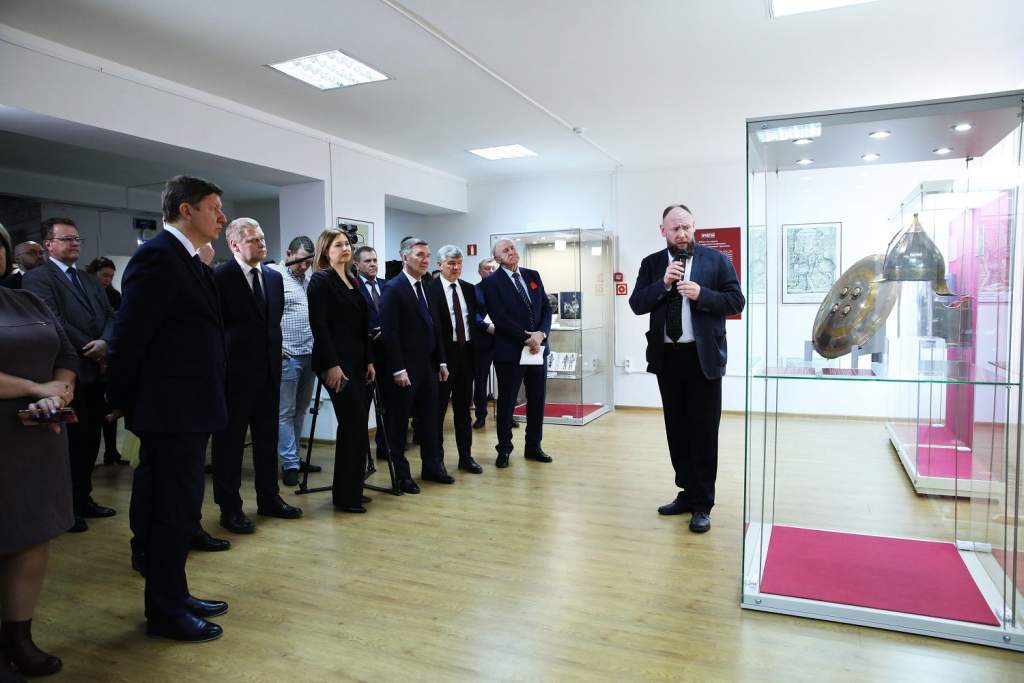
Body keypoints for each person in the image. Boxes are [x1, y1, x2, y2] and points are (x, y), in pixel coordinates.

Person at [107, 174, 231, 642]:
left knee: (181, 510)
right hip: (169, 410)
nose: (221, 217)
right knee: (167, 512)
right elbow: (129, 337)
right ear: (186, 209)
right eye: (214, 207)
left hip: (190, 408)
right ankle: (164, 610)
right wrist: (122, 401)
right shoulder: (157, 256)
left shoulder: (190, 260)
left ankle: (175, 594)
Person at [629, 204, 745, 534]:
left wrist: (702, 294)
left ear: (694, 227)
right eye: (675, 228)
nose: (681, 234)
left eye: (686, 227)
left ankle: (702, 504)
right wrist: (662, 284)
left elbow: (736, 301)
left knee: (704, 432)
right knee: (677, 431)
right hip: (668, 358)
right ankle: (687, 493)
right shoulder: (652, 264)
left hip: (703, 358)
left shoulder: (716, 261)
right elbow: (637, 304)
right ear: (663, 231)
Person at [0, 222, 77, 680]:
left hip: (36, 437)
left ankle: (19, 638)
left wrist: (60, 392)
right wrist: (35, 388)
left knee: (31, 537)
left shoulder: (28, 300)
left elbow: (66, 354)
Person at [23, 217, 117, 533]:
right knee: (68, 445)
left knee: (90, 441)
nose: (74, 243)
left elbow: (110, 315)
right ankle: (66, 507)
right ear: (49, 244)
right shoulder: (38, 278)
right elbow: (53, 320)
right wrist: (89, 346)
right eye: (66, 239)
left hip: (95, 372)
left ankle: (83, 498)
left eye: (77, 239)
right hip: (65, 374)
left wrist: (105, 342)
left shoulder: (88, 279)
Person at [211, 218, 302, 534]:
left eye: (262, 238)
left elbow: (271, 325)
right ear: (235, 244)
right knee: (230, 445)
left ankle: (269, 497)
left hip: (269, 373)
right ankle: (230, 508)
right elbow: (216, 328)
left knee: (267, 440)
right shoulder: (220, 277)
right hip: (233, 376)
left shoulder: (274, 278)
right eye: (253, 239)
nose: (261, 243)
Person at [307, 228, 376, 512]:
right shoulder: (320, 281)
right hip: (336, 364)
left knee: (357, 428)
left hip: (358, 362)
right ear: (326, 250)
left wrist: (369, 360)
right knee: (353, 425)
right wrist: (332, 365)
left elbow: (363, 326)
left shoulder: (352, 278)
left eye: (347, 244)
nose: (345, 248)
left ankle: (352, 489)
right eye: (338, 245)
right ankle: (346, 497)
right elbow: (320, 326)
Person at [378, 237, 448, 492]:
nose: (425, 260)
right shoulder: (393, 288)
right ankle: (402, 475)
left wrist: (441, 361)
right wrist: (398, 369)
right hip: (405, 368)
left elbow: (435, 326)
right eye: (419, 255)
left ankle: (432, 467)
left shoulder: (426, 286)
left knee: (430, 420)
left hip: (428, 365)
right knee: (398, 424)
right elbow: (389, 333)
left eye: (427, 255)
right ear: (405, 257)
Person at [478, 239, 553, 468]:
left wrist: (541, 334)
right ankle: (504, 449)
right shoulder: (491, 283)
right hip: (510, 351)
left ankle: (534, 446)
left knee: (537, 399)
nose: (511, 252)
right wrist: (526, 337)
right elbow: (499, 317)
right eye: (505, 250)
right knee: (507, 402)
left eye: (512, 248)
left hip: (537, 350)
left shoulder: (532, 275)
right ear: (497, 258)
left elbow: (546, 307)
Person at [427, 245, 484, 475]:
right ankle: (436, 462)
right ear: (439, 265)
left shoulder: (468, 289)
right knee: (437, 411)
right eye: (451, 263)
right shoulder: (429, 289)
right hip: (442, 356)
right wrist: (439, 359)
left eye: (459, 263)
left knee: (463, 410)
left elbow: (473, 322)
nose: (456, 267)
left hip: (466, 353)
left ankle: (466, 457)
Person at [269, 236, 319, 487]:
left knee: (301, 409)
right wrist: (273, 346)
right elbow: (265, 315)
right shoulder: (274, 277)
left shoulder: (307, 282)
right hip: (287, 356)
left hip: (309, 355)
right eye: (300, 261)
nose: (304, 266)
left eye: (309, 262)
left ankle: (295, 457)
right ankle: (289, 463)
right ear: (289, 253)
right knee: (285, 411)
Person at [86, 256, 128, 467]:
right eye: (104, 275)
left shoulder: (114, 295)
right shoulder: (84, 292)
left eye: (111, 276)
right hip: (89, 353)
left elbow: (118, 320)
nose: (107, 280)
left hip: (109, 355)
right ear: (93, 273)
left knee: (110, 407)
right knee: (93, 412)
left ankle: (111, 451)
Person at [353, 245, 387, 459]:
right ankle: (362, 454)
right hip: (365, 356)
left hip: (387, 354)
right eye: (367, 261)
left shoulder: (386, 285)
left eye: (375, 260)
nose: (373, 264)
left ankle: (384, 448)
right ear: (356, 265)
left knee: (386, 406)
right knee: (363, 407)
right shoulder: (353, 287)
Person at [472, 258, 498, 429]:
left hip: (503, 340)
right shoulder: (474, 290)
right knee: (481, 380)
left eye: (493, 268)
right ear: (480, 271)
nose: (491, 271)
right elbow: (471, 314)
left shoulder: (504, 289)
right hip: (483, 339)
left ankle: (507, 415)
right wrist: (486, 326)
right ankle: (480, 415)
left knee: (506, 380)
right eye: (487, 268)